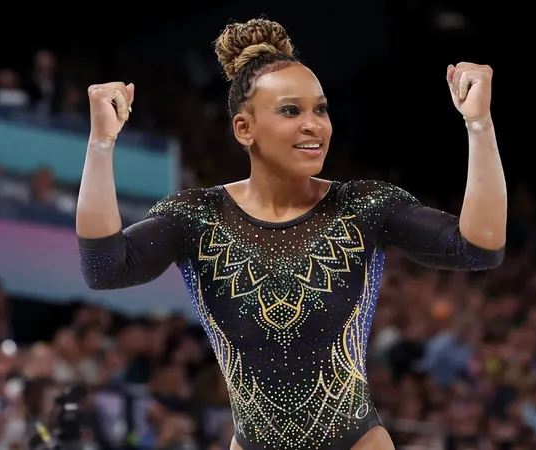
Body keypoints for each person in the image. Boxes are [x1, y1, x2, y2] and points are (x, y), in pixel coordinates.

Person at [76, 18, 506, 450]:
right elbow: (105, 267)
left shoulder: (363, 207)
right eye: (290, 110)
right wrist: (100, 144)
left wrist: (479, 124)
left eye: (320, 109)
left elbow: (478, 247)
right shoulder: (197, 216)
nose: (313, 124)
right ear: (245, 128)